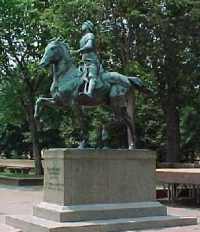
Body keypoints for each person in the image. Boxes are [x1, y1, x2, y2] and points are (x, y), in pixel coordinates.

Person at [73, 20, 100, 98]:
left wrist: (78, 51)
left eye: (84, 24)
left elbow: (89, 46)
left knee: (92, 76)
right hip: (83, 62)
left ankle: (89, 93)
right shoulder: (82, 38)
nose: (82, 25)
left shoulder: (90, 35)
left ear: (88, 26)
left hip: (91, 61)